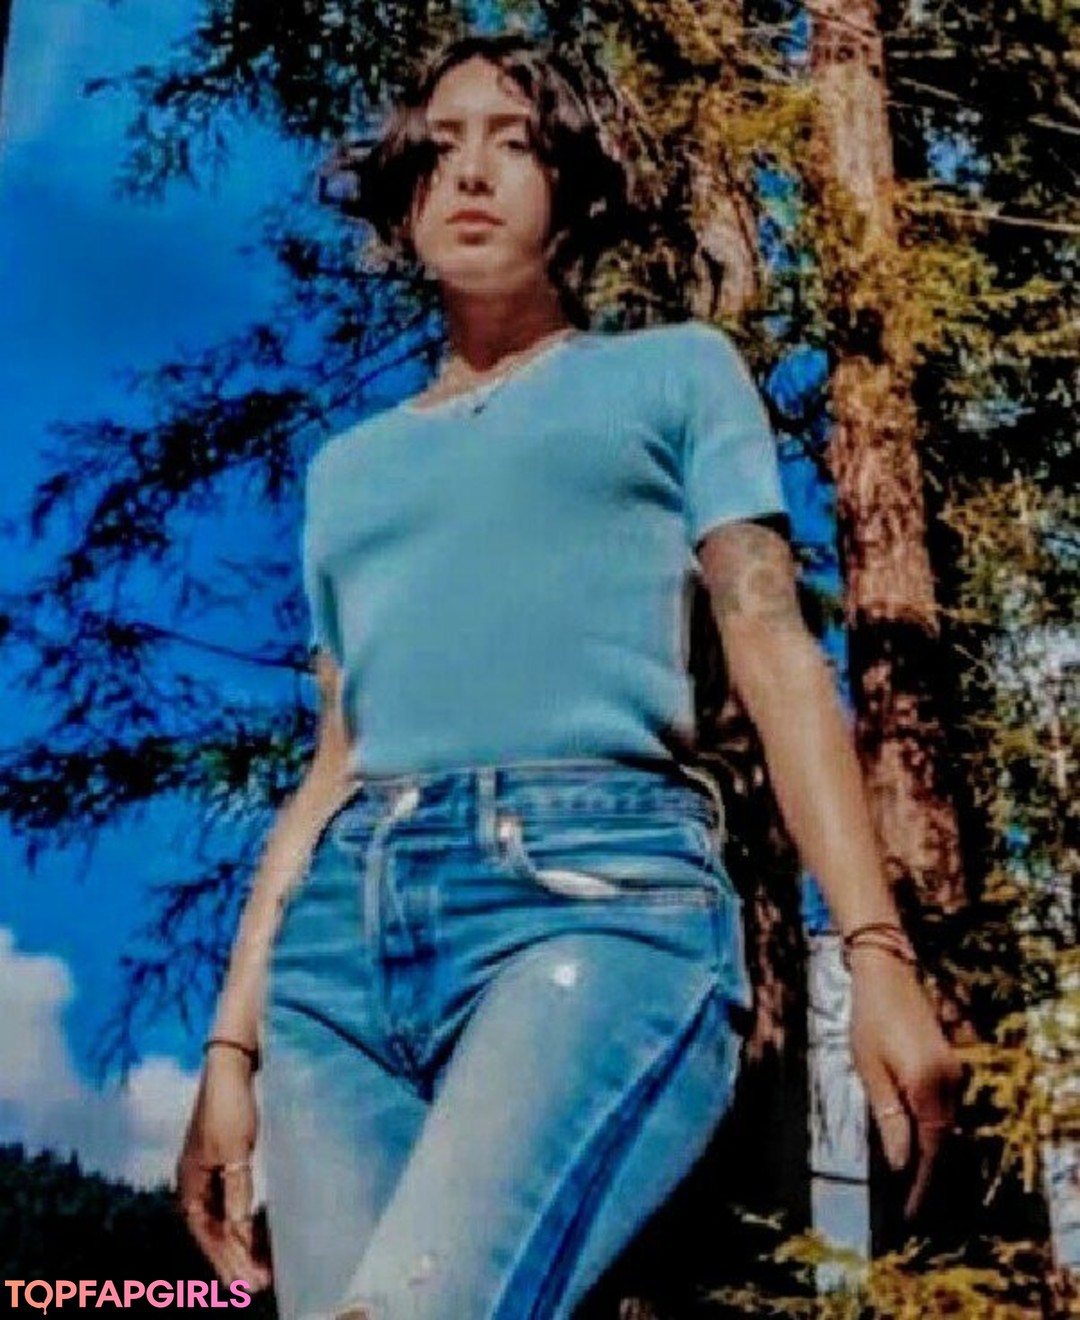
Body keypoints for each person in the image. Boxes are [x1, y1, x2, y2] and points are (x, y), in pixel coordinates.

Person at [176, 32, 962, 1320]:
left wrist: (874, 949)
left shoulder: (674, 375)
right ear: (403, 194)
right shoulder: (347, 474)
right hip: (336, 969)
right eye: (441, 148)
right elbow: (335, 760)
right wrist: (231, 1042)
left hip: (596, 900)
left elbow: (773, 647)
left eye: (516, 142)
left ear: (574, 189)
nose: (471, 172)